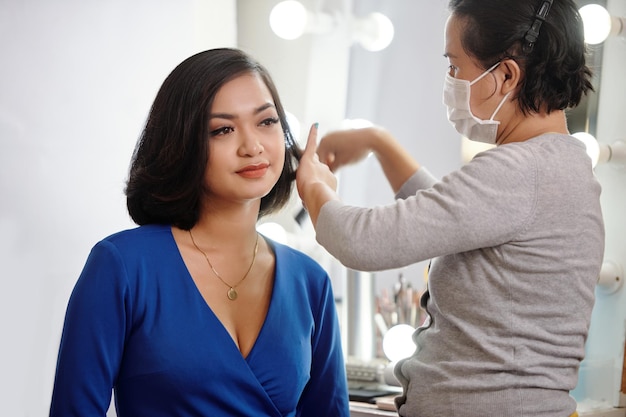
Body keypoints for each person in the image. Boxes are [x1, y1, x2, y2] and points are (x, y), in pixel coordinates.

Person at [296, 0, 604, 416]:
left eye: (456, 67)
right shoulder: (561, 164)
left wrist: (313, 186)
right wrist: (377, 142)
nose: (450, 80)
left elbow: (365, 242)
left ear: (506, 75)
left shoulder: (518, 171)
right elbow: (453, 218)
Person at [49, 48, 349, 417]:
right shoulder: (122, 267)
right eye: (222, 129)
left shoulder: (310, 282)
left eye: (267, 122)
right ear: (182, 145)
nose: (252, 146)